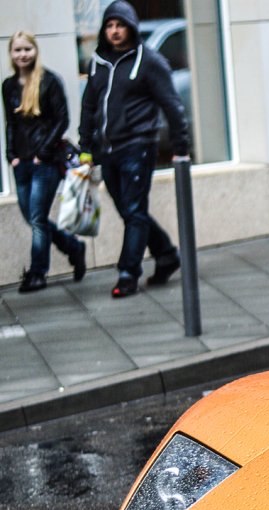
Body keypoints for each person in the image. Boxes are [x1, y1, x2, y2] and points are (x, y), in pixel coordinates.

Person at [78, 0, 189, 298]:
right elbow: (88, 108)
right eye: (110, 26)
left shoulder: (149, 62)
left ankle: (128, 273)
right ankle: (166, 254)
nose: (115, 31)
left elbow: (172, 105)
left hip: (139, 145)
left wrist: (181, 147)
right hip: (107, 150)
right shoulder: (98, 62)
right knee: (129, 211)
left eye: (120, 25)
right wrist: (85, 149)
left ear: (131, 27)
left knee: (134, 211)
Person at [4, 31, 87, 293]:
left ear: (35, 50)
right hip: (21, 163)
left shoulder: (50, 81)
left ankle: (38, 273)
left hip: (46, 162)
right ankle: (74, 247)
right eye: (17, 50)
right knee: (32, 218)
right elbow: (11, 124)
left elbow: (62, 120)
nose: (22, 54)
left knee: (38, 218)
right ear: (11, 54)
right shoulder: (8, 85)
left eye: (27, 49)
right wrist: (11, 156)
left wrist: (42, 152)